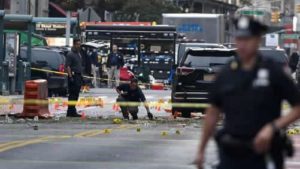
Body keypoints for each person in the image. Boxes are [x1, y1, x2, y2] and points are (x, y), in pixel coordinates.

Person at [195, 16, 300, 169]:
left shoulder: (273, 72)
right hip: (231, 154)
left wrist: (273, 128)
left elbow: (297, 107)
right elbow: (213, 112)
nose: (242, 44)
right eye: (239, 39)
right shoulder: (226, 73)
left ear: (258, 40)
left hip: (264, 154)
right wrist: (201, 150)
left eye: (247, 39)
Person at [65, 38, 83, 117]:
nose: (79, 46)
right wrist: (70, 76)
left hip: (78, 76)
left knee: (76, 94)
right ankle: (70, 111)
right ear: (74, 44)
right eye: (78, 44)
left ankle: (73, 110)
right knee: (72, 95)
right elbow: (68, 66)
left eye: (80, 44)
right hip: (73, 76)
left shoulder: (78, 54)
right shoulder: (70, 54)